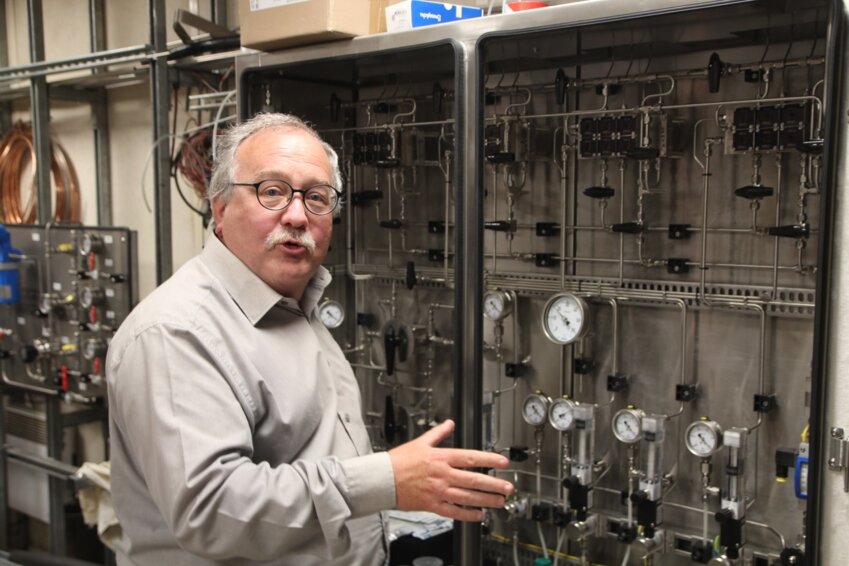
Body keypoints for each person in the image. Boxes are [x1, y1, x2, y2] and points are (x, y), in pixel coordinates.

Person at [106, 112, 513, 565]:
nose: (298, 215)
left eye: (317, 197)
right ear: (220, 209)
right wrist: (386, 480)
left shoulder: (294, 305)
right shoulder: (176, 332)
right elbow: (211, 510)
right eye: (272, 191)